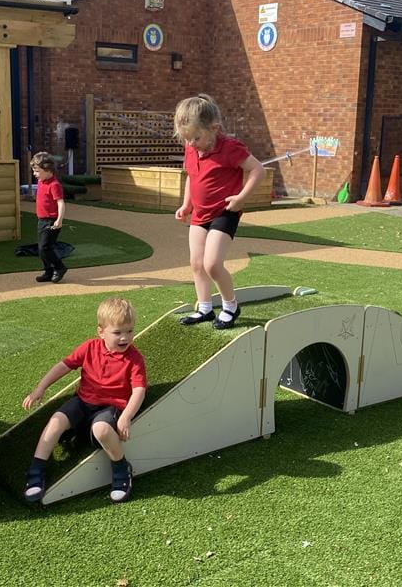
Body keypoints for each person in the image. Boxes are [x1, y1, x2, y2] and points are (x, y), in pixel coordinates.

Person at [21, 297, 147, 504]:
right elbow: (63, 366)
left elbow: (139, 390)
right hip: (83, 401)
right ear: (101, 332)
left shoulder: (134, 358)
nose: (125, 338)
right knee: (55, 422)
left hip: (110, 406)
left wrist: (125, 417)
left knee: (102, 430)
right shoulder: (90, 347)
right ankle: (36, 470)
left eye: (129, 331)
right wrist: (40, 388)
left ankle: (121, 468)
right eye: (117, 332)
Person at [173, 94, 265, 330]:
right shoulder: (191, 149)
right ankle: (204, 308)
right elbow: (191, 178)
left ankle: (230, 306)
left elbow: (258, 170)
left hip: (225, 212)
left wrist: (241, 198)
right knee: (196, 263)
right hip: (199, 214)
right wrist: (187, 204)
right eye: (186, 138)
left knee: (212, 263)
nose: (191, 143)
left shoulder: (230, 148)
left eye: (196, 137)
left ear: (214, 128)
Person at [31, 151, 68, 284]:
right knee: (42, 249)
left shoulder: (54, 185)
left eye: (37, 171)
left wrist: (59, 220)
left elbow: (60, 203)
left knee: (45, 248)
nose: (35, 174)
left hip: (51, 220)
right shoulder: (42, 181)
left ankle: (59, 267)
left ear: (47, 170)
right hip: (42, 220)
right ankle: (48, 271)